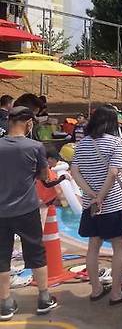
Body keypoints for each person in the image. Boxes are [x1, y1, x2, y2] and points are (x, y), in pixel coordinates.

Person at [70, 105, 122, 306]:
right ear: (112, 123)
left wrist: (92, 195)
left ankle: (96, 289)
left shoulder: (82, 143)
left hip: (90, 205)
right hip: (112, 204)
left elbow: (74, 172)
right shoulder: (116, 142)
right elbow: (114, 172)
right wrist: (101, 196)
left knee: (93, 246)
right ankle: (116, 293)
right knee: (119, 247)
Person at [0, 107, 58, 320]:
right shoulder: (35, 146)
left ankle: (5, 303)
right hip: (27, 209)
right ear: (29, 123)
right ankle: (43, 298)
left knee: (2, 256)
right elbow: (44, 175)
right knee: (35, 252)